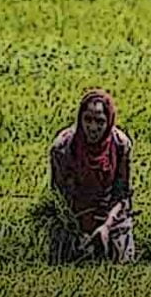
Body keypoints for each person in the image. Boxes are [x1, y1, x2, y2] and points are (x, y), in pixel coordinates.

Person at [50, 88, 135, 263]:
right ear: (80, 120)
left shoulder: (120, 145)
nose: (93, 128)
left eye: (100, 121)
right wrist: (82, 225)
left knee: (119, 256)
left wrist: (106, 226)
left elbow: (122, 194)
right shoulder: (64, 147)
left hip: (110, 213)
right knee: (67, 254)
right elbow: (60, 196)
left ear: (108, 122)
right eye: (87, 120)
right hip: (75, 213)